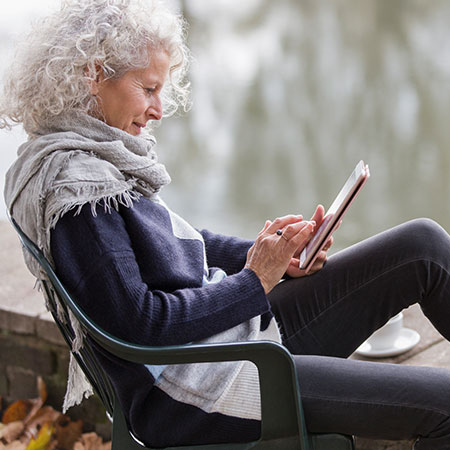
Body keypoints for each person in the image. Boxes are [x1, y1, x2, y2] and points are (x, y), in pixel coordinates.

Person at [2, 1, 450, 448]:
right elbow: (141, 323)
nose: (158, 109)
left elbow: (173, 245)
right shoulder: (79, 192)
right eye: (149, 88)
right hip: (204, 390)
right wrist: (254, 280)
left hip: (230, 341)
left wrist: (269, 255)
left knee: (422, 246)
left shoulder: (93, 155)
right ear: (95, 74)